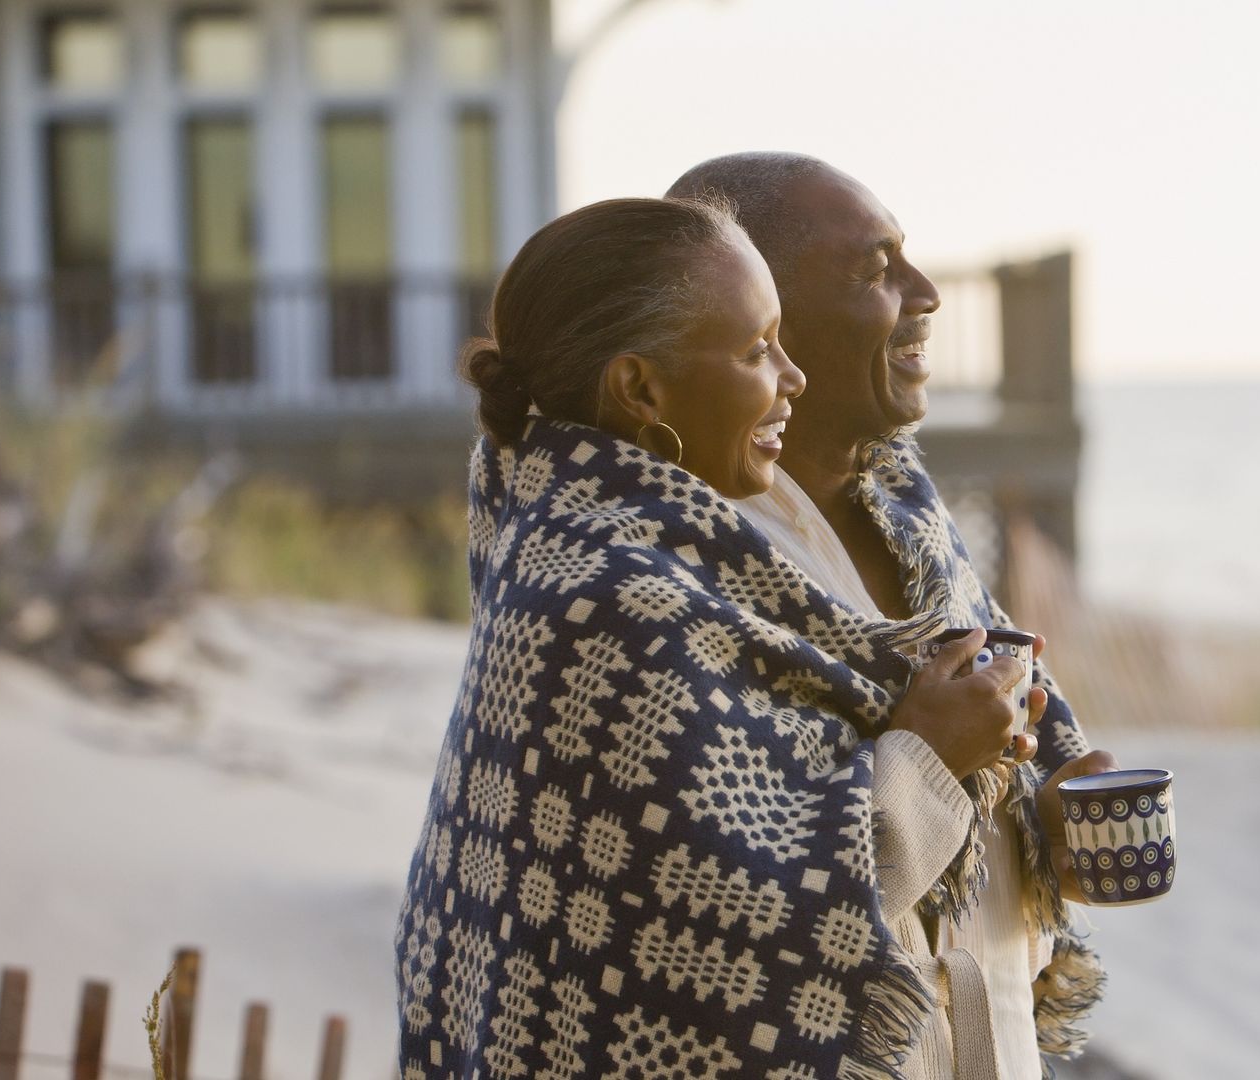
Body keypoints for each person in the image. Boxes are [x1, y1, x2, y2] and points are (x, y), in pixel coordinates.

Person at [395, 197, 1045, 1078]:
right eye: (755, 350)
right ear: (640, 389)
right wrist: (928, 757)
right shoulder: (610, 597)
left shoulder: (642, 553)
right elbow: (743, 927)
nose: (794, 377)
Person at [668, 154, 1116, 1079]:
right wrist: (924, 760)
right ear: (758, 313)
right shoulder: (676, 568)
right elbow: (716, 918)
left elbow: (1004, 741)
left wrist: (1048, 815)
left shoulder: (910, 506)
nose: (925, 294)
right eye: (876, 272)